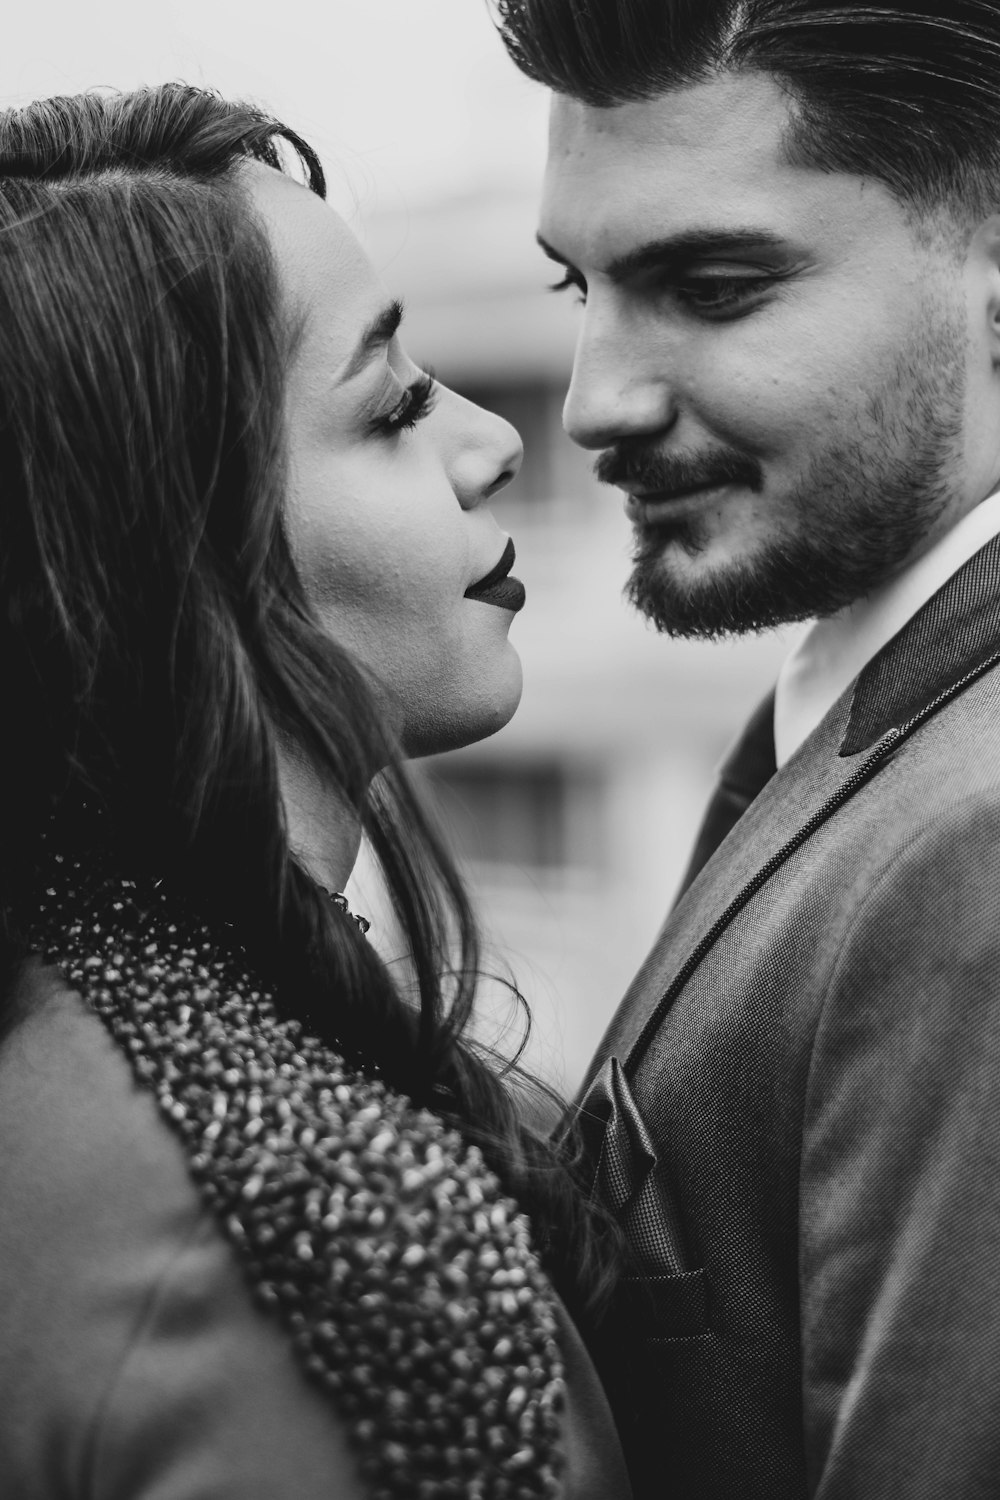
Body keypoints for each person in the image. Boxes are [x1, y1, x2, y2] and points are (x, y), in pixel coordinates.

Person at [0, 83, 633, 1500]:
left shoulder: (72, 1044)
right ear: (174, 547)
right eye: (397, 404)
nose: (495, 443)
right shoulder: (311, 1224)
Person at [494, 1, 1000, 1496]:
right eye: (576, 287)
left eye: (713, 287)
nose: (596, 403)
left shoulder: (975, 846)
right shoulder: (861, 693)